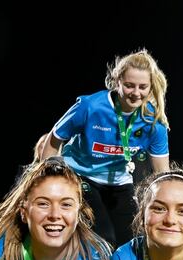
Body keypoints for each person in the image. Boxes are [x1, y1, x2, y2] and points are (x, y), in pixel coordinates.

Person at [40, 49, 171, 248]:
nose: (136, 93)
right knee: (104, 239)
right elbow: (53, 140)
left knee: (133, 243)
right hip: (81, 176)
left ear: (151, 86)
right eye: (129, 85)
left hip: (119, 182)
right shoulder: (90, 106)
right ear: (116, 81)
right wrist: (46, 180)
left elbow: (162, 173)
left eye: (143, 87)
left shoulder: (153, 123)